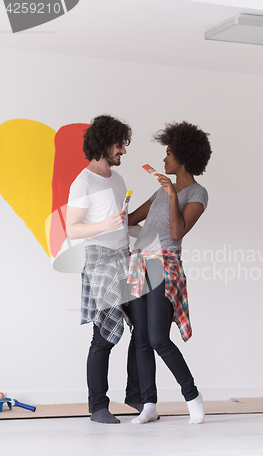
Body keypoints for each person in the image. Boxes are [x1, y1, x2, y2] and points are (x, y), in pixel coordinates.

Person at [126, 121, 212, 424]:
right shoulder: (159, 191)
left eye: (169, 154)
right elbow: (132, 218)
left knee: (159, 338)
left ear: (183, 157)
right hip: (139, 264)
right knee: (141, 338)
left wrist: (173, 194)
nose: (164, 159)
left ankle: (192, 395)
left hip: (165, 266)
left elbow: (177, 232)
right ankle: (148, 403)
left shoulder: (197, 193)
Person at [66, 114, 140, 424]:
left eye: (123, 145)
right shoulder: (83, 182)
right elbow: (72, 229)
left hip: (125, 257)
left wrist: (140, 230)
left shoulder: (117, 178)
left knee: (144, 329)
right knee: (105, 336)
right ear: (103, 143)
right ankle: (98, 406)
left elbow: (120, 223)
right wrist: (103, 225)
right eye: (118, 144)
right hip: (100, 260)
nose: (123, 150)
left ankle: (137, 397)